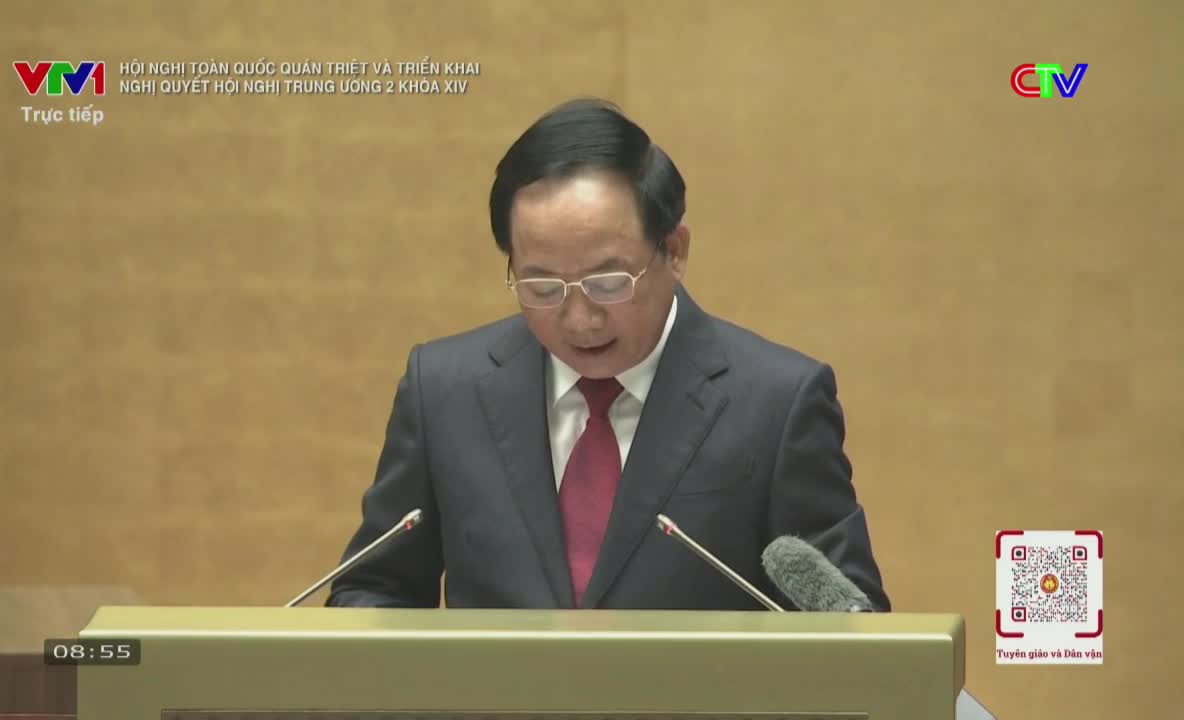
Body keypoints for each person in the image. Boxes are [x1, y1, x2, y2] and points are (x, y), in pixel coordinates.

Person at [327, 98, 889, 612]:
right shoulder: (443, 391)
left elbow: (849, 623)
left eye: (608, 281)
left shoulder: (777, 403)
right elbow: (375, 588)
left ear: (674, 250)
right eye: (542, 286)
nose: (579, 319)